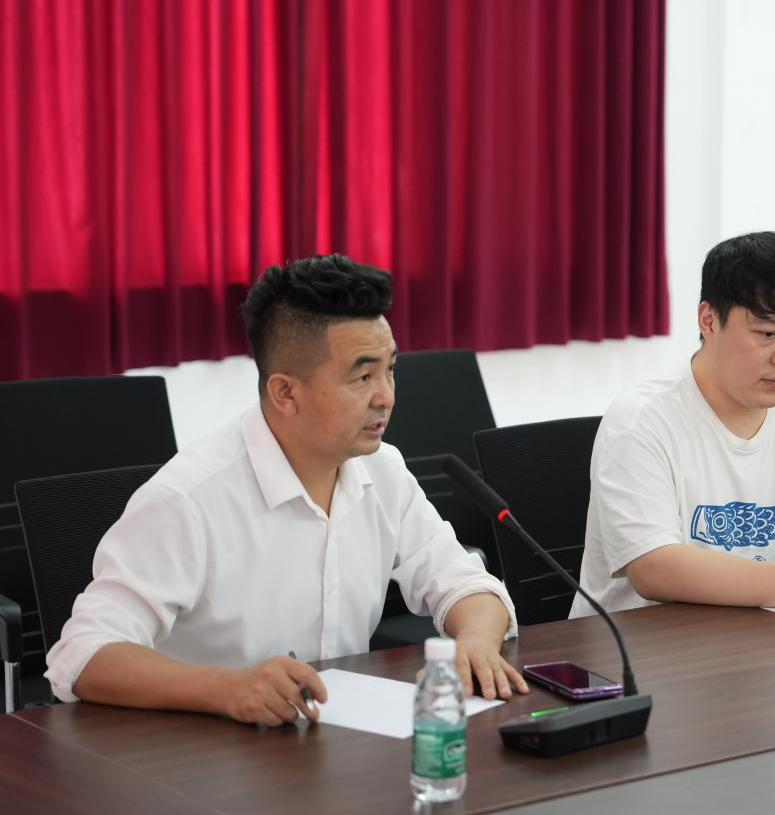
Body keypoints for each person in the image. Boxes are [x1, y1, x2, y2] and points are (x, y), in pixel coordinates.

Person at [46, 254, 528, 726]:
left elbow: (466, 584)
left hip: (333, 741)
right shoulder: (188, 499)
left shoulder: (383, 471)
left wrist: (474, 644)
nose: (386, 395)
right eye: (362, 376)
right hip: (203, 751)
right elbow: (83, 654)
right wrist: (228, 689)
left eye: (390, 369)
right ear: (285, 393)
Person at [570, 231, 775, 618]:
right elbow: (654, 568)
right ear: (709, 321)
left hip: (759, 640)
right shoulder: (641, 421)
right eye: (767, 334)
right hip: (637, 645)